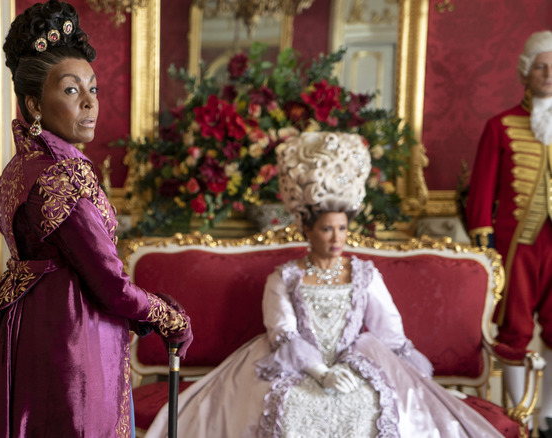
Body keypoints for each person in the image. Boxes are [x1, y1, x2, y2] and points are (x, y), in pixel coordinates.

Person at [145, 131, 502, 437]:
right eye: (327, 228)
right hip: (296, 364)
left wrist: (411, 380)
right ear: (307, 230)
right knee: (295, 404)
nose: (337, 238)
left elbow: (390, 332)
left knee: (367, 402)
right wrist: (319, 371)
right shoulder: (284, 277)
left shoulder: (365, 275)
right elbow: (282, 332)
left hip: (353, 361)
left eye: (343, 229)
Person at [0, 1, 193, 437]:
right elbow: (110, 282)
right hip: (67, 343)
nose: (89, 103)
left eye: (93, 89)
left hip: (24, 330)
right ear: (33, 103)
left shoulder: (22, 167)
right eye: (70, 91)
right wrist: (166, 315)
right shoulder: (59, 176)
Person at [466, 30, 552, 435]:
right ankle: (519, 416)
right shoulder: (501, 126)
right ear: (526, 73)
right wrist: (486, 246)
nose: (549, 74)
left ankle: (549, 414)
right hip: (518, 245)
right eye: (541, 67)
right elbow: (481, 191)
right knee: (515, 328)